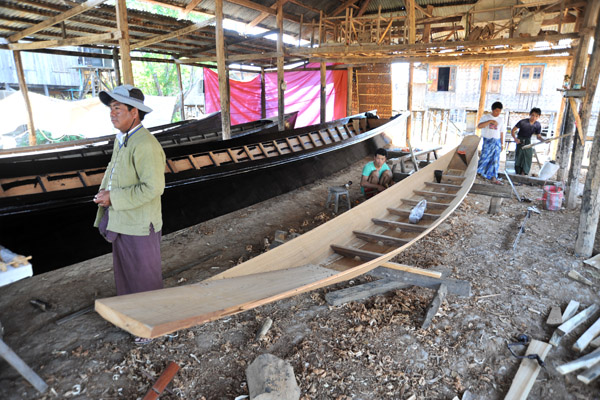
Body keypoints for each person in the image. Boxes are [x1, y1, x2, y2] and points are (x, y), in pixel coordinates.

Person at [93, 85, 166, 344]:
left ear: (134, 113)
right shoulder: (122, 139)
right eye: (111, 109)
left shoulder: (145, 144)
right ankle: (134, 319)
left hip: (140, 223)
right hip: (123, 219)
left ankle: (152, 327)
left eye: (117, 109)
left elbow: (154, 188)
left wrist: (114, 197)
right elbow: (114, 169)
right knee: (126, 274)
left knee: (144, 277)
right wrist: (105, 190)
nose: (112, 114)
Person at [477, 101, 505, 185]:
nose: (498, 113)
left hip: (497, 142)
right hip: (488, 141)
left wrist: (502, 144)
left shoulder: (501, 119)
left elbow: (502, 132)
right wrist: (490, 121)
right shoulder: (486, 117)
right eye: (496, 111)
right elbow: (479, 126)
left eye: (499, 111)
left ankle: (493, 177)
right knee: (484, 158)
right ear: (492, 110)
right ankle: (479, 173)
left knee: (495, 160)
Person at [511, 107, 542, 175]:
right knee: (519, 156)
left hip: (528, 141)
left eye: (536, 116)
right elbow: (513, 130)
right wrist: (515, 139)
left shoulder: (537, 125)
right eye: (533, 115)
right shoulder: (523, 122)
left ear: (539, 117)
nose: (534, 117)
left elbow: (538, 136)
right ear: (530, 114)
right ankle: (518, 172)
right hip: (520, 140)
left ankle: (524, 172)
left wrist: (543, 140)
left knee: (528, 156)